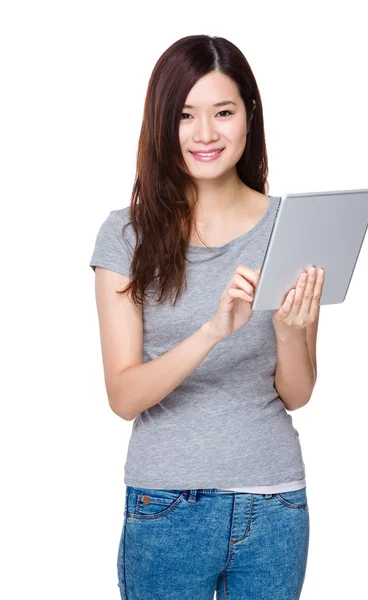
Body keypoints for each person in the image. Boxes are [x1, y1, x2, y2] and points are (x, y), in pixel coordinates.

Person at [89, 34, 323, 600]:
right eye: (186, 115)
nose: (205, 134)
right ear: (163, 124)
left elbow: (297, 392)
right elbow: (124, 396)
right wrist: (213, 331)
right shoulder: (127, 236)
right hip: (166, 504)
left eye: (223, 112)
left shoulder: (290, 228)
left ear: (249, 116)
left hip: (274, 505)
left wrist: (290, 332)